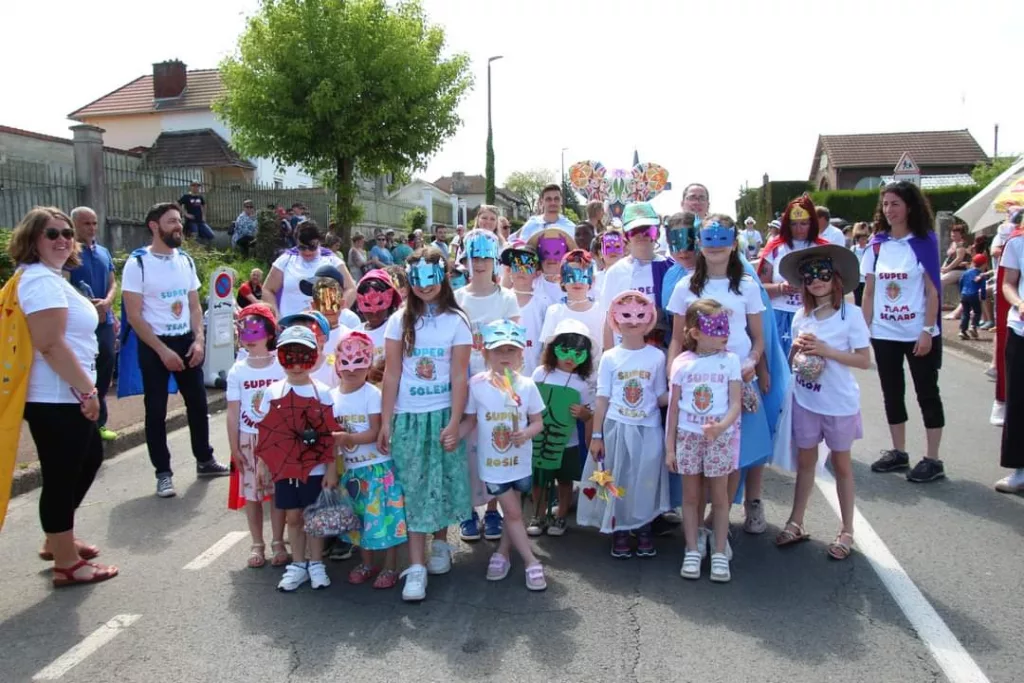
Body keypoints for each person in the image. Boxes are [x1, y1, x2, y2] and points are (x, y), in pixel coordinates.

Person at [10, 207, 118, 586]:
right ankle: (66, 564)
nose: (63, 240)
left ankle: (57, 539)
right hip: (56, 396)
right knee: (62, 474)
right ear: (32, 239)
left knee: (87, 460)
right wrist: (87, 391)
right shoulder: (40, 282)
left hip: (64, 393)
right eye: (52, 233)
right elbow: (50, 345)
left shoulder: (51, 278)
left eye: (67, 233)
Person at [377, 248, 472, 602]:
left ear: (443, 277)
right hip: (409, 418)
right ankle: (416, 567)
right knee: (414, 488)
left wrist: (455, 421)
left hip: (442, 414)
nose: (424, 286)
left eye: (431, 278)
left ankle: (441, 545)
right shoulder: (398, 321)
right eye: (417, 279)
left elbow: (459, 376)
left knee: (442, 481)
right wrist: (386, 421)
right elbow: (391, 374)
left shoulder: (457, 321)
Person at [667, 216, 771, 538]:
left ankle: (717, 522)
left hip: (736, 382)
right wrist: (673, 377)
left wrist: (753, 361)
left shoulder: (747, 286)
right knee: (696, 460)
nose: (715, 247)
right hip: (696, 384)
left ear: (734, 243)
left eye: (722, 240)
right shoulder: (685, 286)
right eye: (709, 240)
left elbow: (758, 338)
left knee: (732, 456)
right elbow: (676, 339)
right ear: (699, 243)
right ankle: (697, 529)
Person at [122, 203, 229, 498]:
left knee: (198, 404)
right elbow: (134, 316)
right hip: (154, 344)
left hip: (186, 341)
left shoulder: (185, 260)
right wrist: (161, 351)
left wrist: (198, 340)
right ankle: (163, 473)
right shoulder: (138, 263)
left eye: (179, 221)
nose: (179, 226)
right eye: (171, 221)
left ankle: (205, 460)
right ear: (154, 226)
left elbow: (194, 306)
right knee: (156, 410)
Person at [774, 245, 870, 561]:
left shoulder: (850, 315)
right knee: (805, 462)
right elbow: (793, 361)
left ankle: (847, 529)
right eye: (809, 275)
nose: (816, 280)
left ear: (835, 277)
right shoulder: (801, 316)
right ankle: (796, 521)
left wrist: (828, 351)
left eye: (822, 274)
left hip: (838, 402)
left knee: (841, 464)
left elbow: (863, 360)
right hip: (806, 399)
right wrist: (796, 349)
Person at [862, 181, 945, 482]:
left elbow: (933, 292)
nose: (889, 210)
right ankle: (899, 452)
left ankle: (933, 459)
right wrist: (863, 331)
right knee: (892, 393)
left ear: (910, 206)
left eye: (895, 203)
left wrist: (927, 330)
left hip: (917, 332)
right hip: (884, 333)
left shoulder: (924, 242)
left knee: (927, 393)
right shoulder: (876, 244)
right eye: (885, 204)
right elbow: (869, 292)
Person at [579, 291, 670, 558]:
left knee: (645, 480)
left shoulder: (657, 356)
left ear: (649, 319)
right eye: (626, 315)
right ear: (615, 318)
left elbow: (660, 396)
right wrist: (597, 435)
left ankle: (642, 526)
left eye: (640, 315)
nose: (633, 321)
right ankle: (619, 528)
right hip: (617, 428)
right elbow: (602, 398)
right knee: (617, 478)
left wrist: (682, 388)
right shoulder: (610, 357)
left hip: (648, 429)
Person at [461, 320, 548, 590]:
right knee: (511, 512)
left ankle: (502, 553)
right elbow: (470, 421)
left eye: (511, 350)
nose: (505, 356)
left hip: (520, 463)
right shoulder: (477, 385)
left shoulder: (527, 385)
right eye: (498, 350)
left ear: (521, 353)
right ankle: (532, 562)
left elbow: (538, 422)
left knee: (514, 512)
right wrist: (452, 435)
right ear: (485, 353)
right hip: (493, 464)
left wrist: (526, 433)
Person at [253, 325, 340, 591]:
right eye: (289, 358)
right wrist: (262, 464)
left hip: (315, 469)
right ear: (280, 358)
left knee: (314, 519)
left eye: (304, 358)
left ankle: (316, 564)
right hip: (285, 468)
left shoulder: (323, 392)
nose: (297, 366)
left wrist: (331, 469)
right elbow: (266, 434)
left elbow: (331, 435)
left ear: (314, 358)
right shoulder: (273, 392)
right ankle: (299, 564)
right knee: (293, 518)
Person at [667, 299, 742, 583]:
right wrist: (669, 448)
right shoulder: (682, 364)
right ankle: (691, 549)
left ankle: (719, 551)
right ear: (696, 333)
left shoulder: (731, 361)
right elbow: (673, 409)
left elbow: (735, 404)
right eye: (716, 328)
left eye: (726, 327)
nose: (725, 334)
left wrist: (721, 427)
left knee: (720, 498)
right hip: (688, 436)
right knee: (690, 497)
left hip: (719, 439)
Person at [454, 229, 519, 542]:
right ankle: (468, 510)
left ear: (494, 260)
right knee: (466, 448)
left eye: (484, 257)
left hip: (496, 384)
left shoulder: (506, 298)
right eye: (473, 257)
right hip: (464, 385)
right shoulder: (456, 298)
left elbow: (514, 344)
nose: (479, 263)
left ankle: (493, 510)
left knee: (494, 444)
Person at [331, 330, 407, 589]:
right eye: (346, 363)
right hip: (351, 472)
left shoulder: (372, 394)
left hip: (377, 470)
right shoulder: (331, 397)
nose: (352, 370)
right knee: (360, 521)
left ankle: (391, 566)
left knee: (387, 520)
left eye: (359, 363)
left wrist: (347, 438)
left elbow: (375, 432)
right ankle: (367, 563)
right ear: (337, 364)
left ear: (369, 365)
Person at [226, 304, 288, 568]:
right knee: (252, 494)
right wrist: (234, 447)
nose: (249, 338)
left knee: (277, 492)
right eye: (244, 331)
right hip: (248, 438)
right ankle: (257, 544)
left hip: (277, 440)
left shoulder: (281, 366)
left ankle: (278, 541)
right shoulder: (237, 371)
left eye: (255, 331)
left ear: (269, 333)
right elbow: (232, 412)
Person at [528, 319, 594, 536]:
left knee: (565, 481)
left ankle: (561, 516)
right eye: (565, 351)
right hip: (540, 439)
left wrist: (583, 414)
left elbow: (590, 415)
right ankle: (538, 515)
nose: (570, 358)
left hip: (568, 442)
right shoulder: (540, 374)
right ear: (553, 349)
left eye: (578, 353)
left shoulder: (582, 384)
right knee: (539, 480)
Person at [67, 206, 119, 442]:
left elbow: (113, 282)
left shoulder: (104, 252)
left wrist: (107, 302)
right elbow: (65, 284)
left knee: (105, 365)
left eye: (94, 223)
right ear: (74, 225)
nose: (92, 228)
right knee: (82, 369)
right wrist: (87, 304)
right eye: (86, 223)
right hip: (80, 324)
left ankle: (99, 422)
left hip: (104, 322)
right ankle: (81, 423)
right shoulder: (68, 253)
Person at [758, 196, 828, 356]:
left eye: (804, 223)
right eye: (794, 224)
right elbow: (759, 288)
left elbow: (834, 287)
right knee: (780, 364)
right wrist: (781, 288)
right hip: (779, 315)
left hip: (814, 316)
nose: (799, 229)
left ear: (812, 223)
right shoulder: (775, 247)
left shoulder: (823, 248)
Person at [597, 203, 673, 347]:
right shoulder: (616, 272)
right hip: (624, 349)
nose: (641, 235)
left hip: (662, 349)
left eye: (648, 230)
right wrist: (608, 354)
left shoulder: (669, 268)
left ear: (657, 233)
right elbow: (608, 319)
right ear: (626, 236)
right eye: (634, 231)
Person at [263, 221, 356, 319]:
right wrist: (275, 316)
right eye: (302, 247)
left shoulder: (332, 260)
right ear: (296, 242)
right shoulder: (286, 259)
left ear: (319, 242)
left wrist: (337, 313)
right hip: (289, 323)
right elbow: (267, 290)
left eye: (312, 247)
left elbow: (351, 288)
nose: (307, 251)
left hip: (324, 324)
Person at [995, 209, 1024, 493]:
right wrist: (1019, 303)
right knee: (1018, 401)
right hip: (1021, 329)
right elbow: (1008, 283)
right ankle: (1020, 470)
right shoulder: (1017, 242)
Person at [540, 249, 606, 363]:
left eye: (583, 275)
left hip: (594, 372)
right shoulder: (554, 312)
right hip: (561, 372)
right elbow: (547, 348)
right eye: (571, 275)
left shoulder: (601, 311)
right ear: (561, 279)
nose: (577, 282)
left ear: (592, 280)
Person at [501, 242, 545, 376]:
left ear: (537, 272)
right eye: (517, 264)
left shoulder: (543, 303)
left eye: (528, 265)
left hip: (533, 375)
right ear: (509, 270)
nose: (521, 270)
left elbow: (546, 344)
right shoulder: (500, 300)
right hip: (503, 375)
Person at [355, 269, 402, 380]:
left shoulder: (397, 328)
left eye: (380, 303)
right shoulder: (354, 335)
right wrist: (366, 374)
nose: (374, 312)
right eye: (367, 305)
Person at [527, 229, 577, 311]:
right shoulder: (530, 284)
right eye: (545, 253)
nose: (551, 259)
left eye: (557, 253)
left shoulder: (577, 285)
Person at [941, 224, 971, 320]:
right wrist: (943, 268)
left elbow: (958, 259)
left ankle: (937, 303)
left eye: (956, 233)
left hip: (960, 270)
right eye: (952, 232)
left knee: (941, 280)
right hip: (950, 269)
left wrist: (947, 269)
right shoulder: (953, 243)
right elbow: (948, 258)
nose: (953, 234)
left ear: (961, 234)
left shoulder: (961, 244)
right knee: (934, 279)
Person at [958, 254, 989, 340]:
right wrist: (983, 297)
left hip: (964, 295)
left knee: (965, 313)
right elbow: (983, 287)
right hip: (974, 295)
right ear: (984, 265)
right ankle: (973, 326)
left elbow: (961, 282)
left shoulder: (966, 272)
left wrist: (961, 292)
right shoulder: (981, 275)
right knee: (977, 312)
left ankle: (962, 331)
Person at [850, 222, 872, 307]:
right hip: (857, 280)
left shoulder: (869, 248)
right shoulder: (854, 248)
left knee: (867, 299)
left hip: (867, 279)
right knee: (858, 300)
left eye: (865, 238)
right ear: (857, 239)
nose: (863, 240)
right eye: (861, 239)